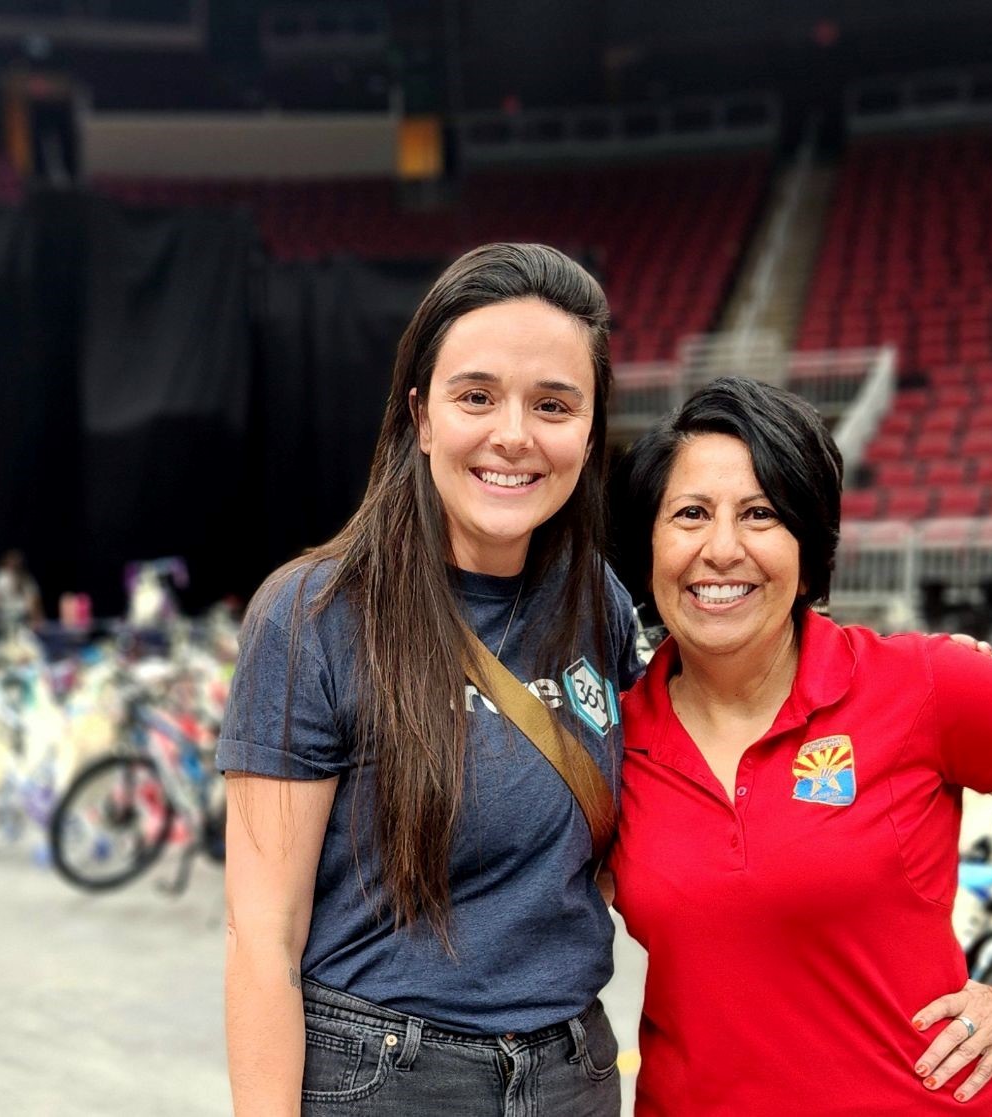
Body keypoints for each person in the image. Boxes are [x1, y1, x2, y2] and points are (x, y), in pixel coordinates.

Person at [609, 377, 992, 1115]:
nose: (721, 548)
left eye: (760, 514)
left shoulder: (924, 683)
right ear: (648, 548)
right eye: (688, 514)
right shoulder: (609, 737)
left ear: (809, 550)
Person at [218, 243, 642, 1116]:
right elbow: (262, 935)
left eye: (553, 404)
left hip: (575, 1076)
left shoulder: (595, 599)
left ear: (590, 430)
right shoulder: (312, 614)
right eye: (476, 396)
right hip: (383, 1076)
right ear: (420, 412)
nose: (514, 435)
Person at [0, 549, 43, 638]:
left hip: (22, 623)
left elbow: (34, 603)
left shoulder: (27, 580)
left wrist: (37, 621)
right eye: (12, 561)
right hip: (1, 621)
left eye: (17, 562)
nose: (14, 564)